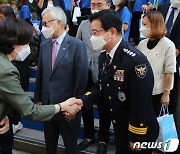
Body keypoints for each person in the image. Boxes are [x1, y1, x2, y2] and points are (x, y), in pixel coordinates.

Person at [68, 9, 159, 153]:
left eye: (95, 33)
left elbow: (141, 102)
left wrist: (136, 137)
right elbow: (100, 85)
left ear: (111, 32)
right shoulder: (104, 56)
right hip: (120, 127)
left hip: (139, 131)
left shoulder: (135, 62)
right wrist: (83, 101)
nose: (92, 38)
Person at [0, 16, 82, 154]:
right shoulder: (7, 70)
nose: (28, 47)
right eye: (26, 43)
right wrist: (61, 106)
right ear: (14, 44)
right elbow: (30, 111)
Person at [34, 6, 88, 154]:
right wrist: (39, 99)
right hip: (48, 106)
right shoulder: (44, 45)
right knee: (49, 145)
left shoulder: (77, 45)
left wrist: (75, 105)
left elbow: (81, 77)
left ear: (58, 22)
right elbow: (41, 74)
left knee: (70, 146)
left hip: (68, 108)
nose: (43, 27)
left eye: (46, 23)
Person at [76, 0, 111, 153]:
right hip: (86, 72)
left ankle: (103, 139)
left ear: (107, 6)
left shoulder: (112, 25)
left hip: (105, 72)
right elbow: (77, 45)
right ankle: (89, 136)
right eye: (93, 5)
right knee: (85, 106)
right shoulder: (83, 24)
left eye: (99, 5)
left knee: (105, 108)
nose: (95, 8)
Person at [137, 11, 176, 116]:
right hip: (143, 90)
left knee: (155, 123)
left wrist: (166, 93)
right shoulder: (142, 44)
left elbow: (170, 71)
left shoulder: (168, 45)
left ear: (155, 25)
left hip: (158, 92)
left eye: (145, 25)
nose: (142, 28)